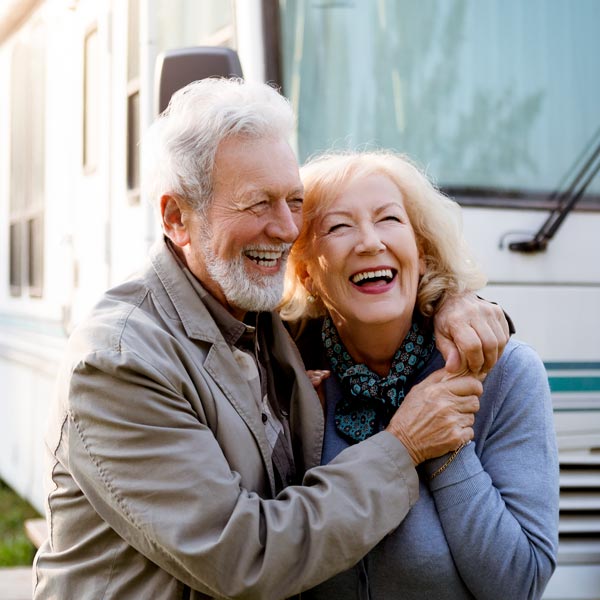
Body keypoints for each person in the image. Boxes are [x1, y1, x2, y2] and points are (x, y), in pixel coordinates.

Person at [33, 79, 511, 600]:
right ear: (175, 217)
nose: (286, 229)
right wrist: (403, 446)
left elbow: (373, 300)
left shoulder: (260, 319)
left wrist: (457, 304)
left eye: (294, 201)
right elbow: (245, 558)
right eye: (258, 204)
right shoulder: (120, 363)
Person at [280, 150, 559, 600]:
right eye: (339, 226)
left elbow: (519, 584)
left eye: (389, 219)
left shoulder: (506, 373)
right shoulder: (284, 374)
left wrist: (445, 447)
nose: (370, 242)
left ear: (423, 253)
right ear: (307, 273)